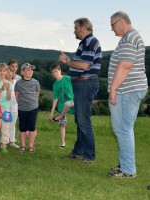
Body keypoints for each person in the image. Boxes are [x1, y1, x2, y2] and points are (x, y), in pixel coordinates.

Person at [106, 11, 148, 178]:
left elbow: (125, 66)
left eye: (112, 25)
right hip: (126, 89)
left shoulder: (130, 38)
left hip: (127, 90)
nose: (112, 29)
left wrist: (113, 89)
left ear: (121, 22)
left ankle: (129, 170)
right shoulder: (128, 38)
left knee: (124, 129)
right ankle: (125, 165)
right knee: (121, 129)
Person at [59, 17, 102, 163]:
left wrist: (67, 61)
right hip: (81, 84)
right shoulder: (85, 42)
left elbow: (84, 66)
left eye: (76, 28)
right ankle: (78, 151)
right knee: (80, 119)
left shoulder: (90, 42)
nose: (74, 31)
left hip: (85, 84)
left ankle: (89, 155)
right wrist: (70, 62)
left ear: (83, 28)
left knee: (83, 121)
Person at [14, 63, 40, 153]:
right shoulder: (18, 83)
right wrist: (22, 104)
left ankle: (31, 146)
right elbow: (17, 96)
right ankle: (23, 146)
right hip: (22, 108)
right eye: (28, 69)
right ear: (22, 72)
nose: (30, 71)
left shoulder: (36, 82)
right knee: (22, 127)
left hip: (33, 108)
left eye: (31, 69)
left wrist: (32, 103)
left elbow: (37, 94)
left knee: (32, 127)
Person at [48, 64, 74, 148]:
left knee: (80, 121)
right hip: (62, 106)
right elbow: (55, 99)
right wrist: (51, 113)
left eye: (56, 71)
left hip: (73, 101)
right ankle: (63, 143)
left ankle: (60, 116)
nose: (55, 73)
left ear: (60, 70)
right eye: (53, 72)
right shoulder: (55, 85)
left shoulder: (67, 78)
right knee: (62, 124)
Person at [6, 65, 20, 149]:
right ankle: (3, 140)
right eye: (7, 71)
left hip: (15, 105)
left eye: (11, 71)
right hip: (5, 106)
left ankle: (12, 141)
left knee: (13, 123)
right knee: (4, 124)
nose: (10, 73)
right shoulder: (3, 82)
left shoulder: (16, 82)